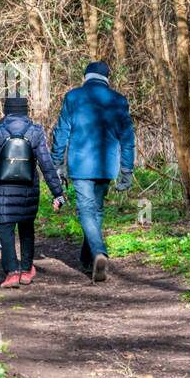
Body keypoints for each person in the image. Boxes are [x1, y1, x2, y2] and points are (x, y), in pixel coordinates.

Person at [0, 96, 65, 288]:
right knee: (26, 230)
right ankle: (26, 271)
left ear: (6, 111)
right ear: (26, 111)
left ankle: (12, 273)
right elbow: (47, 165)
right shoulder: (35, 132)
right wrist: (58, 193)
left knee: (5, 231)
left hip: (1, 193)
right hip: (28, 191)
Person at [50, 61, 135, 281]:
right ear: (107, 78)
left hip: (80, 165)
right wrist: (127, 169)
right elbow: (127, 139)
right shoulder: (119, 100)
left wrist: (57, 163)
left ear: (85, 77)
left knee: (87, 211)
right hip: (107, 165)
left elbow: (60, 133)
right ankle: (88, 260)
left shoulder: (73, 97)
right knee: (96, 211)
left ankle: (98, 252)